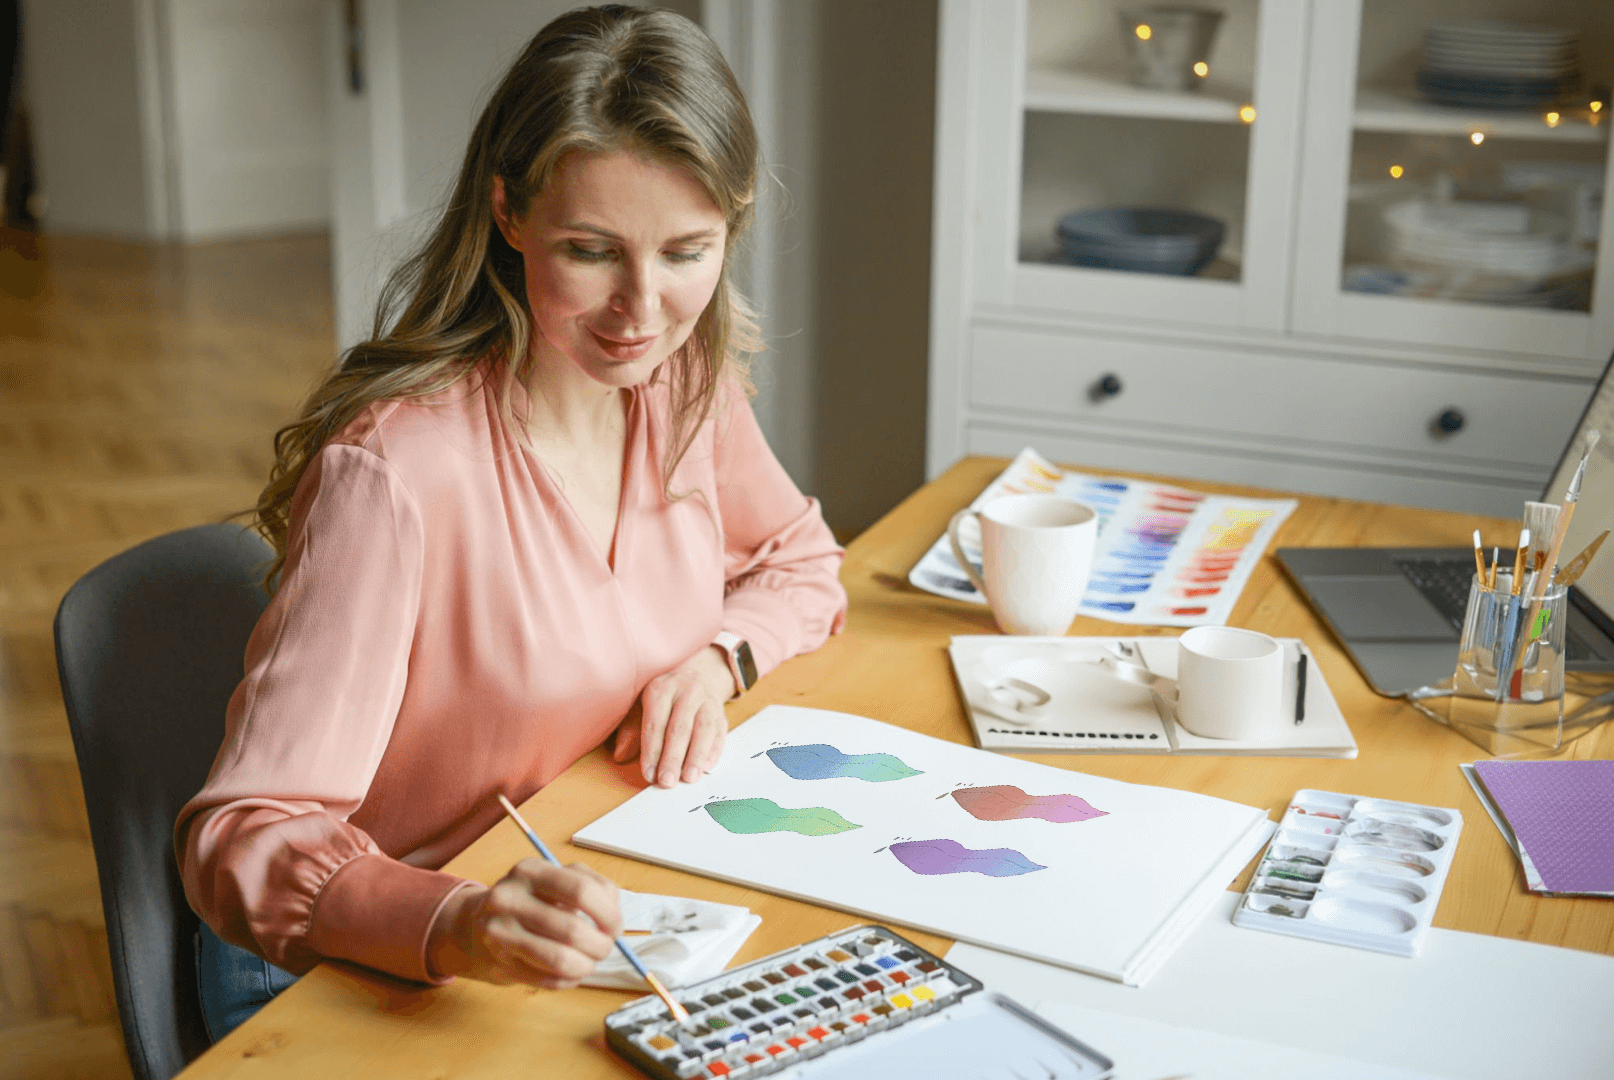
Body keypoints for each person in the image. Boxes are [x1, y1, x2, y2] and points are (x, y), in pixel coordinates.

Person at [175, 4, 847, 1041]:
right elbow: (243, 839)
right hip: (372, 972)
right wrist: (460, 922)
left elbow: (799, 562)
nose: (641, 309)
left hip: (595, 907)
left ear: (735, 223)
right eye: (591, 250)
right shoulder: (395, 471)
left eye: (686, 252)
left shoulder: (683, 387)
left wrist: (717, 660)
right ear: (508, 210)